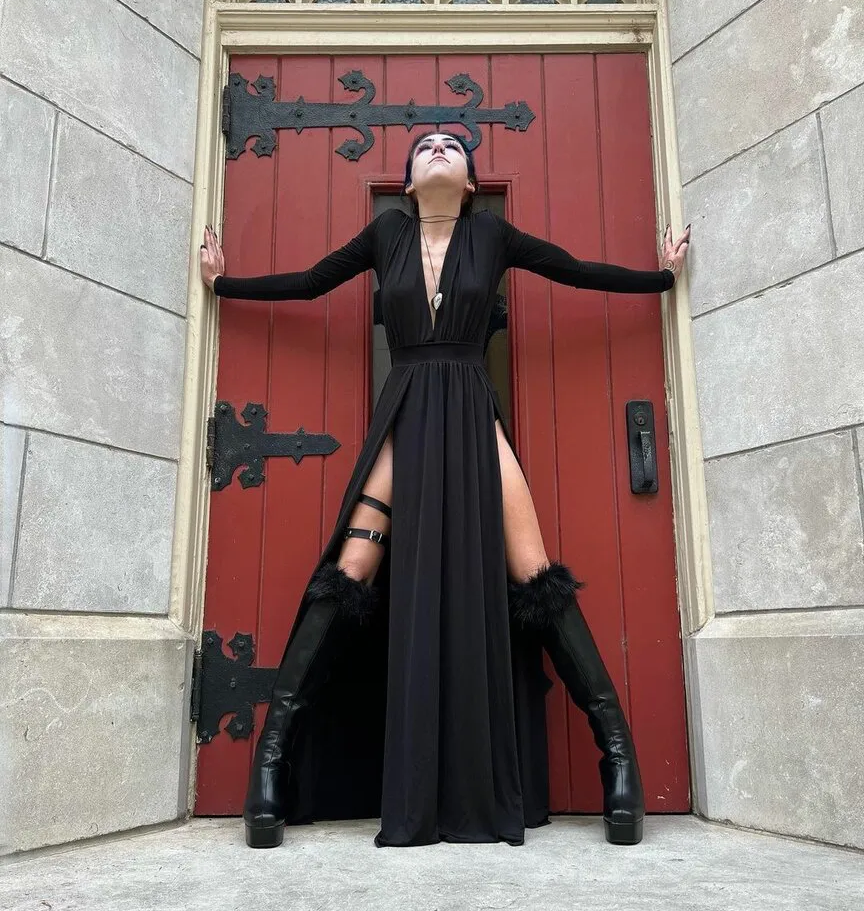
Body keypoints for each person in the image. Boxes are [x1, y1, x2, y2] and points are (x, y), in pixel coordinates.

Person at [199, 130, 691, 850]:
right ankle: (270, 765)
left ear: (469, 183)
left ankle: (618, 760)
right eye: (424, 144)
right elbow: (309, 282)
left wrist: (663, 279)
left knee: (535, 572)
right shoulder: (386, 236)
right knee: (352, 569)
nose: (437, 146)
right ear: (407, 183)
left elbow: (576, 271)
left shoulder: (491, 236)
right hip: (406, 412)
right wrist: (222, 285)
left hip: (470, 409)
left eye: (451, 145)